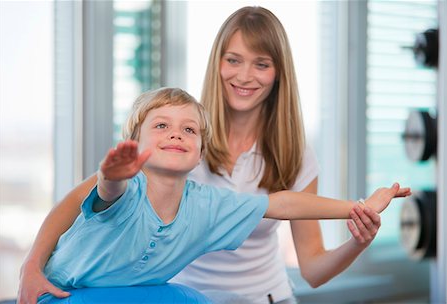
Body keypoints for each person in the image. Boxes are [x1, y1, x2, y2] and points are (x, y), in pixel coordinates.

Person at [17, 6, 403, 304]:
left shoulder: (289, 154)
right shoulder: (175, 137)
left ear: (278, 73)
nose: (245, 75)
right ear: (217, 62)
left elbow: (307, 253)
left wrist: (360, 224)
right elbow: (95, 193)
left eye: (261, 64)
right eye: (233, 59)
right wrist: (31, 267)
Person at [37, 87, 409, 296]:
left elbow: (280, 203)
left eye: (189, 130)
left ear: (200, 151)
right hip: (61, 293)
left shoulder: (208, 205)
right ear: (134, 141)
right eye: (162, 125)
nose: (175, 134)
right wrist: (112, 175)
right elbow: (107, 193)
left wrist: (358, 206)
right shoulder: (125, 188)